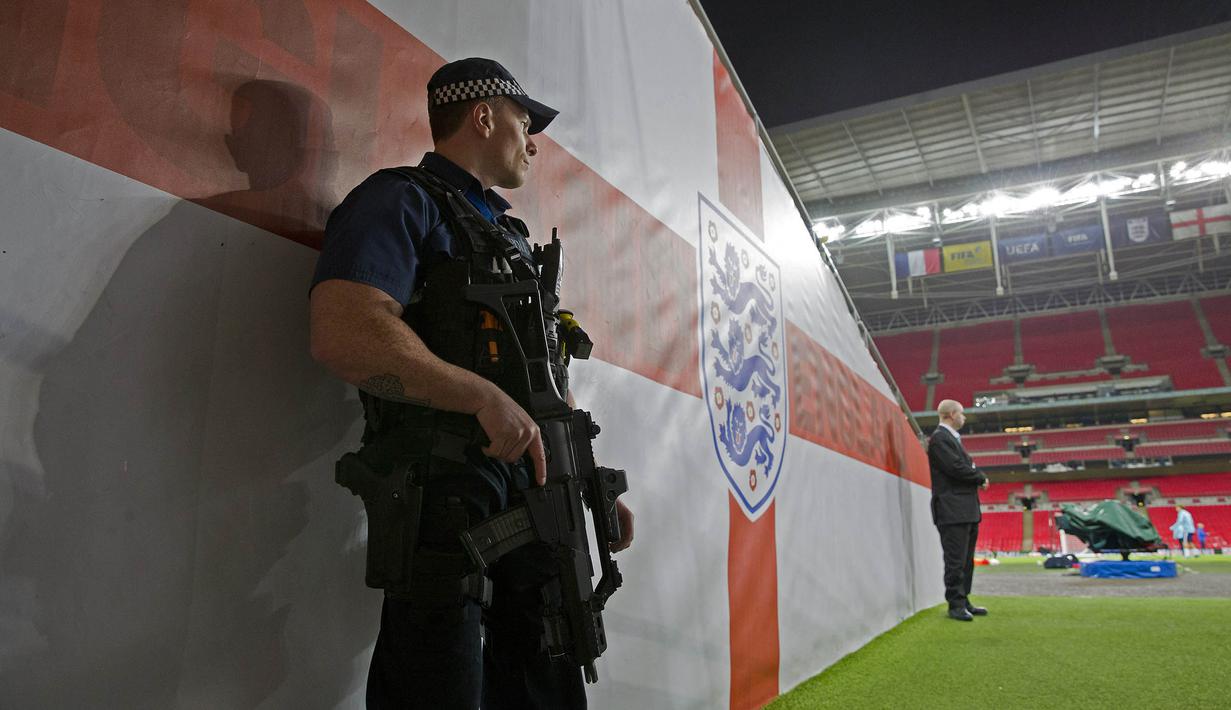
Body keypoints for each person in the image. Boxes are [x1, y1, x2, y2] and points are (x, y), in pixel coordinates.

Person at [309, 57, 633, 709]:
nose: (533, 140)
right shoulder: (402, 200)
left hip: (538, 502)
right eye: (523, 120)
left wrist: (588, 482)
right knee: (441, 688)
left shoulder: (508, 237)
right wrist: (477, 396)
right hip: (451, 503)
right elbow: (344, 329)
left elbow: (541, 378)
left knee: (547, 680)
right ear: (483, 116)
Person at [927, 399, 989, 622]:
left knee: (966, 560)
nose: (964, 417)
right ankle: (955, 604)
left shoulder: (951, 439)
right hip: (952, 509)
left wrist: (974, 473)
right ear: (952, 414)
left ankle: (964, 600)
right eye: (961, 414)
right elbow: (956, 468)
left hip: (965, 508)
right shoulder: (939, 440)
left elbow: (961, 467)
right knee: (956, 559)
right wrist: (979, 477)